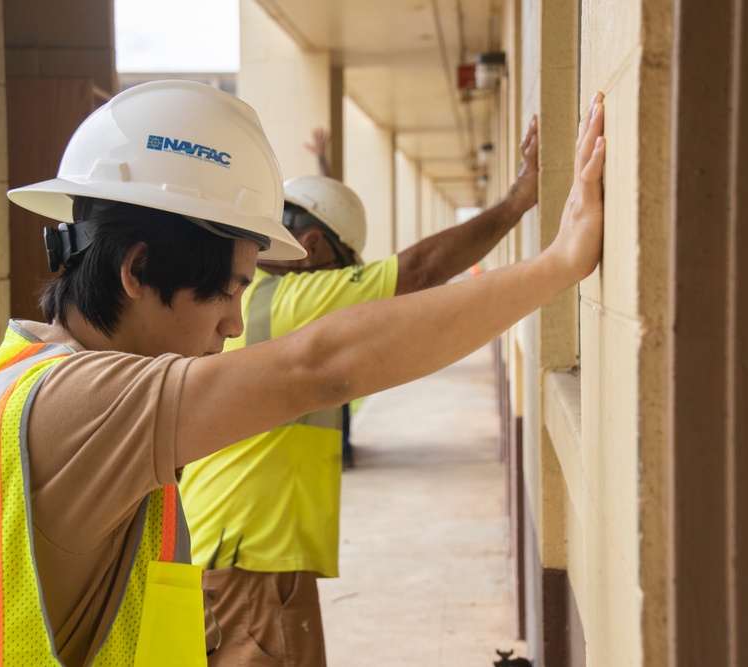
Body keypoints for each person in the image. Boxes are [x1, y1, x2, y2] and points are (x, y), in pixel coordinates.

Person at [0, 79, 605, 667]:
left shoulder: (6, 374)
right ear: (136, 269)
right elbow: (321, 367)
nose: (232, 322)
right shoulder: (84, 401)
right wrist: (559, 262)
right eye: (226, 290)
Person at [179, 119, 541, 667]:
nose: (347, 283)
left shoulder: (254, 298)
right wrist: (519, 200)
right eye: (344, 267)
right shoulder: (287, 301)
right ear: (313, 246)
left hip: (252, 546)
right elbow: (416, 272)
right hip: (247, 554)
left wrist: (324, 173)